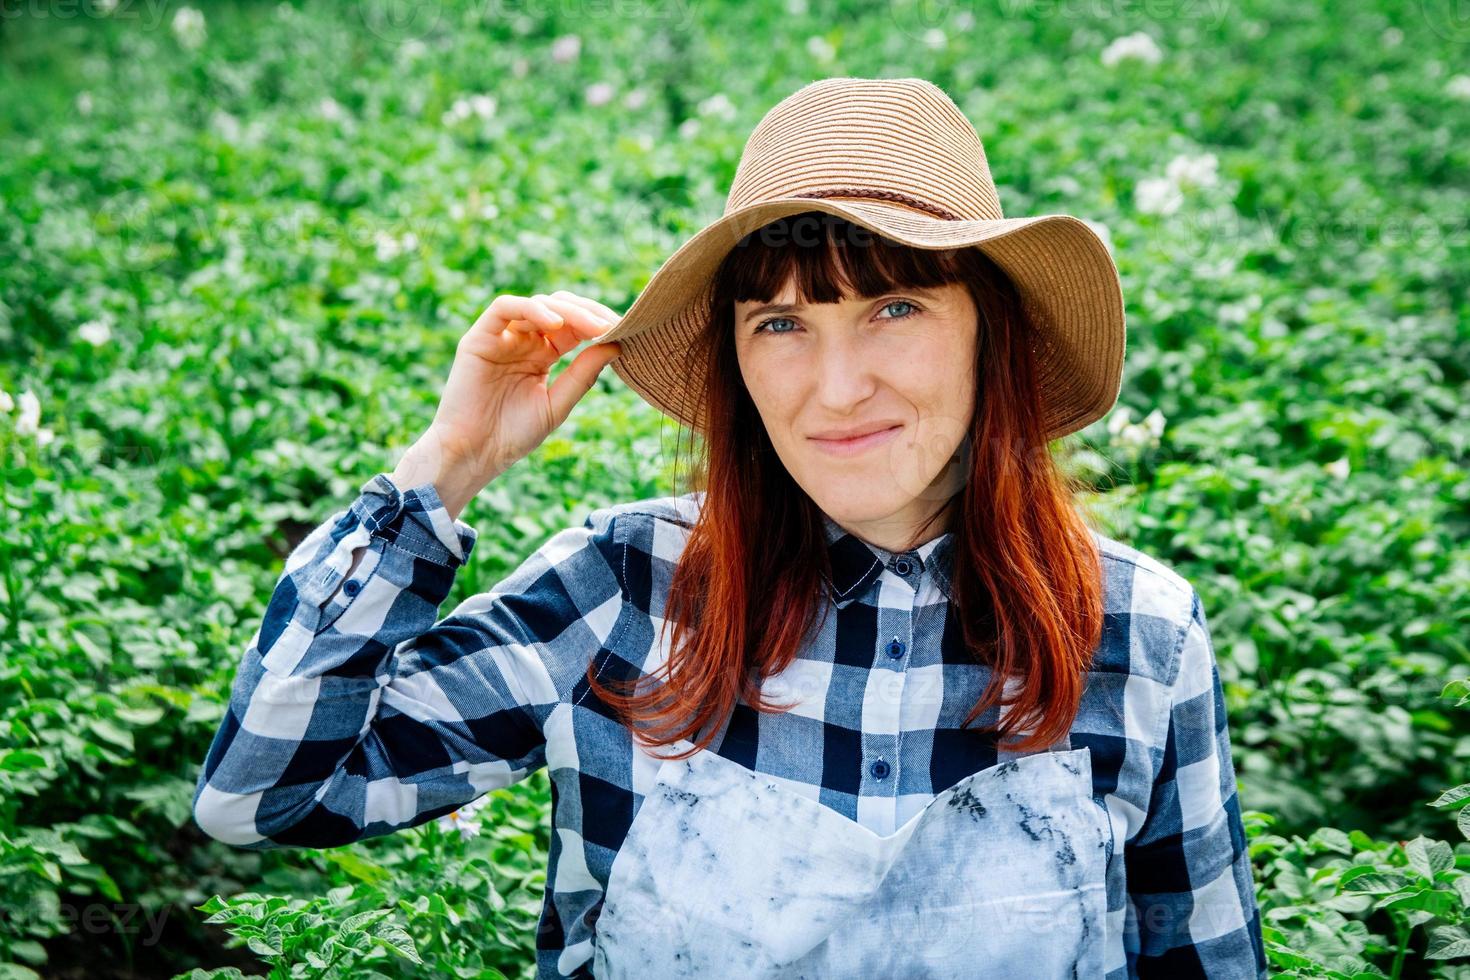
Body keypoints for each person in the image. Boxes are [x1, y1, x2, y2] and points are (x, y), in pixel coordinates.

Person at [192, 77, 1267, 979]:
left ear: (994, 331)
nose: (837, 388)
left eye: (896, 306)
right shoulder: (629, 590)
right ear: (736, 362)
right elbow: (266, 792)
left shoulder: (1136, 633)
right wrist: (450, 465)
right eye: (782, 323)